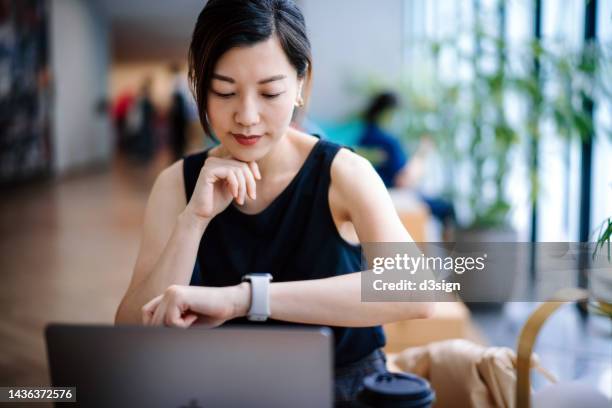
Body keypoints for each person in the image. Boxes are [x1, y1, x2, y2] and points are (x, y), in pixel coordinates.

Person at [115, 1, 433, 406]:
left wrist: (244, 299)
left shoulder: (343, 173)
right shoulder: (176, 184)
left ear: (301, 82)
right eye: (224, 91)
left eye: (270, 92)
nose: (246, 116)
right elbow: (130, 332)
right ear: (199, 84)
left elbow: (416, 290)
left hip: (339, 390)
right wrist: (193, 220)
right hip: (222, 391)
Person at [359, 91, 456, 241]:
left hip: (373, 191)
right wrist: (423, 153)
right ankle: (451, 258)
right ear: (388, 113)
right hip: (393, 192)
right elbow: (403, 180)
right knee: (447, 208)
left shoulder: (364, 136)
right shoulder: (388, 141)